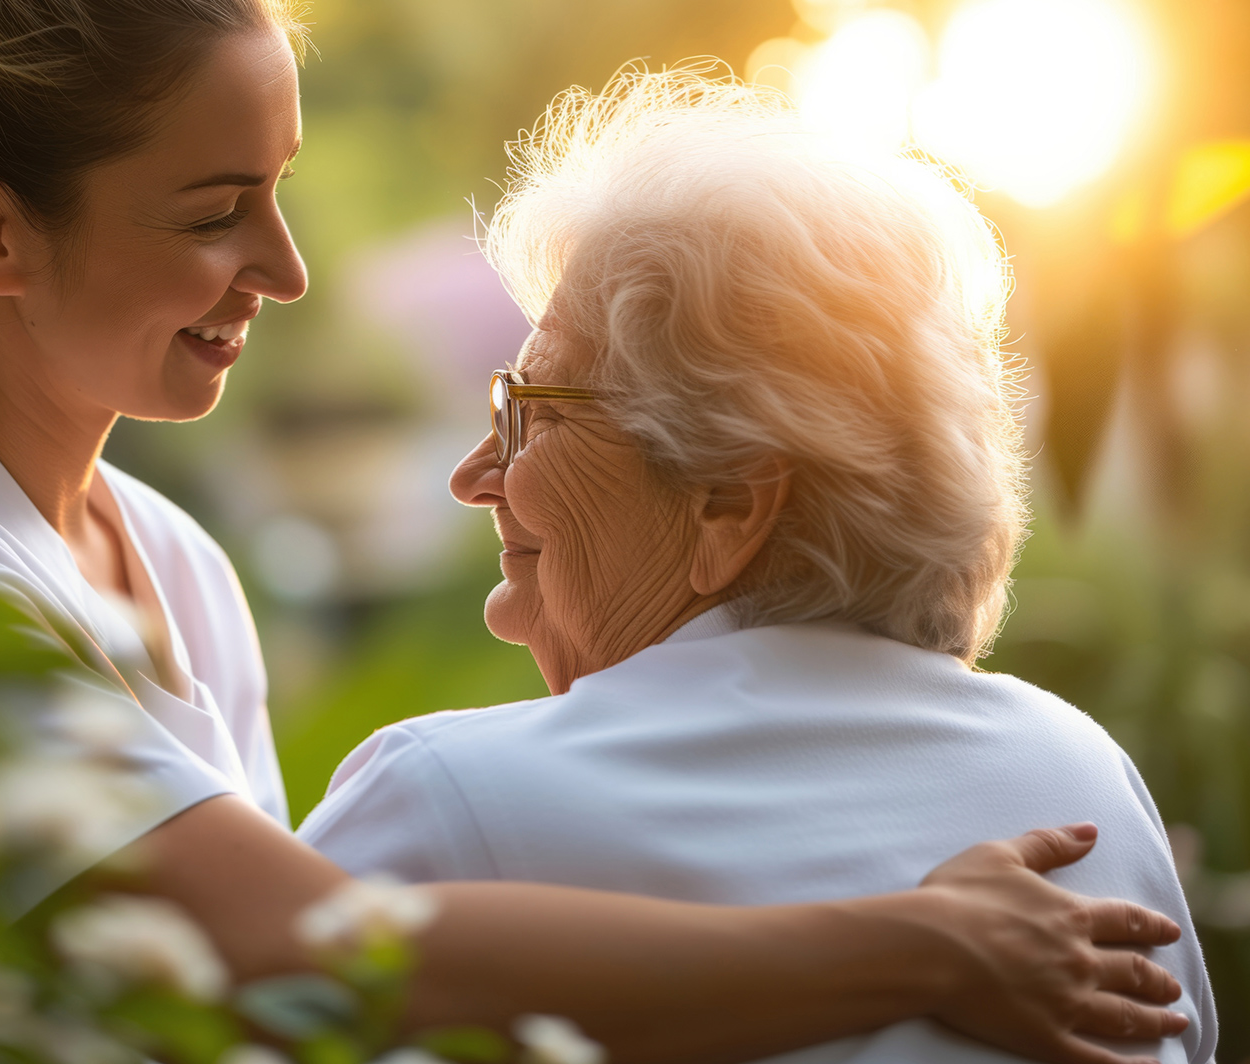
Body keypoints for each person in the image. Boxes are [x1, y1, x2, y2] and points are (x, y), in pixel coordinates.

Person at [0, 0, 1192, 1060]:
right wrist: (913, 945)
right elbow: (309, 954)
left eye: (275, 192)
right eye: (213, 212)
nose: (284, 266)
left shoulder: (184, 571)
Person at [296, 71, 1215, 1064]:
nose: (474, 476)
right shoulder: (1079, 776)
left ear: (730, 502)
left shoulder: (450, 804)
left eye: (536, 413)